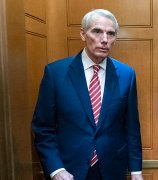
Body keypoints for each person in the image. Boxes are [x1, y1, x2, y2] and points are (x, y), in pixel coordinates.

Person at [32, 9, 143, 180]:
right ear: (83, 34)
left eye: (111, 34)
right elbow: (43, 128)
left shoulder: (127, 75)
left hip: (112, 169)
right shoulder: (55, 73)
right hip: (68, 170)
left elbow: (132, 128)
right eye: (97, 31)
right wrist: (55, 169)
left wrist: (136, 171)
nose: (104, 40)